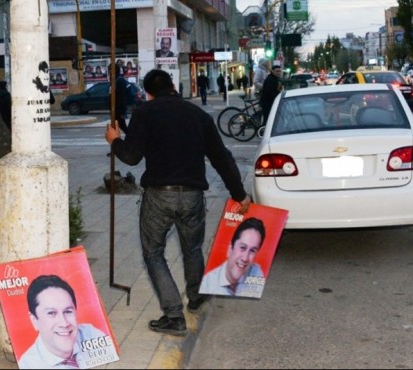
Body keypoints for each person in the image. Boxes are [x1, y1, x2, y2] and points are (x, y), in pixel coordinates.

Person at [104, 69, 251, 337]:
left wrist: (115, 141)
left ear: (148, 93)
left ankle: (174, 315)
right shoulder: (199, 116)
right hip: (193, 195)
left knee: (153, 253)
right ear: (173, 86)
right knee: (192, 249)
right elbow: (222, 158)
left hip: (159, 195)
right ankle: (195, 297)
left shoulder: (145, 113)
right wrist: (239, 193)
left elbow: (132, 156)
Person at [18, 274, 110, 369]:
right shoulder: (28, 365)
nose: (64, 323)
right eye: (51, 313)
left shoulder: (90, 334)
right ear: (34, 321)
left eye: (68, 311)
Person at [199, 217, 266, 297]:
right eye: (242, 247)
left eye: (252, 251)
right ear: (230, 248)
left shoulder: (256, 273)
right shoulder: (208, 284)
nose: (245, 258)